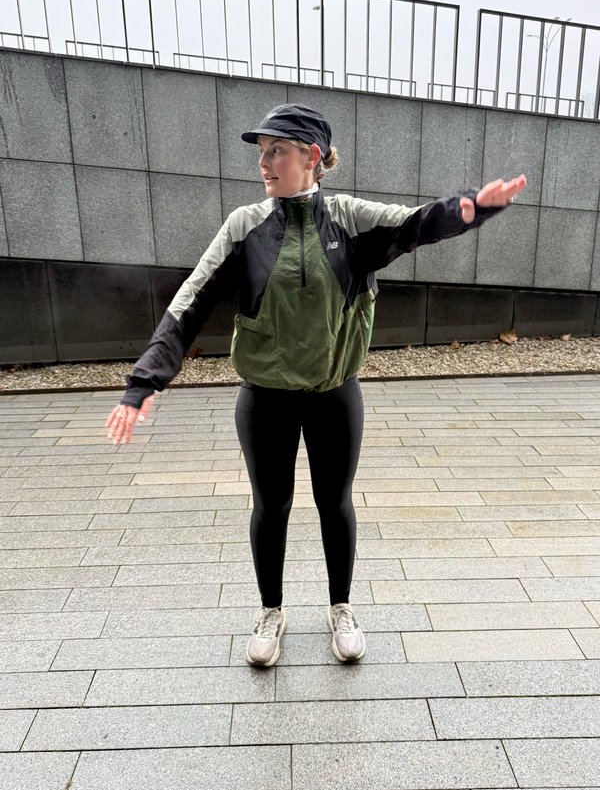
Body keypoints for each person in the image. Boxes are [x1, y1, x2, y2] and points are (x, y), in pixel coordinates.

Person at [105, 102, 527, 667]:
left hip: (335, 396)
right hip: (265, 400)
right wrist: (142, 383)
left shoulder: (349, 220)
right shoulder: (244, 227)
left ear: (311, 157)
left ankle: (341, 607)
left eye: (276, 151)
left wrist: (472, 209)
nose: (264, 163)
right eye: (261, 153)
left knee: (335, 504)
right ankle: (271, 612)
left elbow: (417, 224)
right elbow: (191, 302)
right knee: (270, 505)